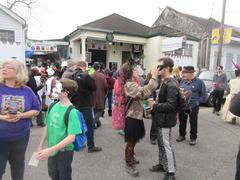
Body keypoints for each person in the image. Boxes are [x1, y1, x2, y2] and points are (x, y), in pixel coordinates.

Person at [0, 59, 40, 180]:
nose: (4, 69)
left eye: (8, 67)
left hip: (21, 136)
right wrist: (2, 117)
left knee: (18, 165)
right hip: (0, 137)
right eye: (2, 67)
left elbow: (36, 109)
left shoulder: (26, 91)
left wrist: (21, 116)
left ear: (18, 72)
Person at [37, 78, 81, 180]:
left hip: (64, 151)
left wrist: (50, 150)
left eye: (56, 88)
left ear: (65, 93)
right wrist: (40, 145)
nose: (53, 89)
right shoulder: (52, 106)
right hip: (52, 149)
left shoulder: (72, 112)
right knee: (53, 174)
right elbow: (47, 125)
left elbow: (71, 137)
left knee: (64, 176)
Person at [123, 61, 158, 177]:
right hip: (132, 116)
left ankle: (131, 157)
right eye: (134, 70)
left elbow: (143, 92)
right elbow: (143, 93)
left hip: (136, 115)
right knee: (131, 141)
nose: (137, 71)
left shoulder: (133, 83)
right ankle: (129, 164)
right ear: (129, 73)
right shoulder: (129, 84)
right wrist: (153, 77)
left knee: (135, 139)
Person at [148, 57, 178, 180]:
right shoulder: (165, 81)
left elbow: (171, 105)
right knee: (161, 143)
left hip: (166, 120)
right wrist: (155, 104)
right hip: (161, 118)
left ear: (166, 68)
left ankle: (171, 172)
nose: (157, 68)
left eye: (160, 67)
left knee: (166, 145)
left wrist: (155, 105)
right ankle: (162, 164)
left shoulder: (171, 83)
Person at [70, 61, 102, 153]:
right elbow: (94, 87)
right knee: (89, 125)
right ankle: (91, 146)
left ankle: (78, 143)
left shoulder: (71, 76)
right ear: (83, 67)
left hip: (75, 104)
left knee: (77, 125)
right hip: (86, 104)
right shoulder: (86, 76)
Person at [176, 66, 207, 145]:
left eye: (185, 73)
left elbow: (204, 96)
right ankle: (182, 135)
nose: (184, 74)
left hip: (193, 106)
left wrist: (197, 102)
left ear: (191, 73)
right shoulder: (182, 81)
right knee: (182, 120)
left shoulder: (199, 82)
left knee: (193, 122)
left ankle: (193, 138)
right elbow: (179, 92)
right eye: (184, 72)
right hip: (183, 105)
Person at [92, 62, 108, 128]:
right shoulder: (102, 75)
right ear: (99, 67)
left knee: (95, 109)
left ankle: (98, 123)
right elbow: (105, 86)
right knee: (100, 110)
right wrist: (105, 93)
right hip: (100, 94)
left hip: (93, 95)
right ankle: (93, 122)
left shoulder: (91, 75)